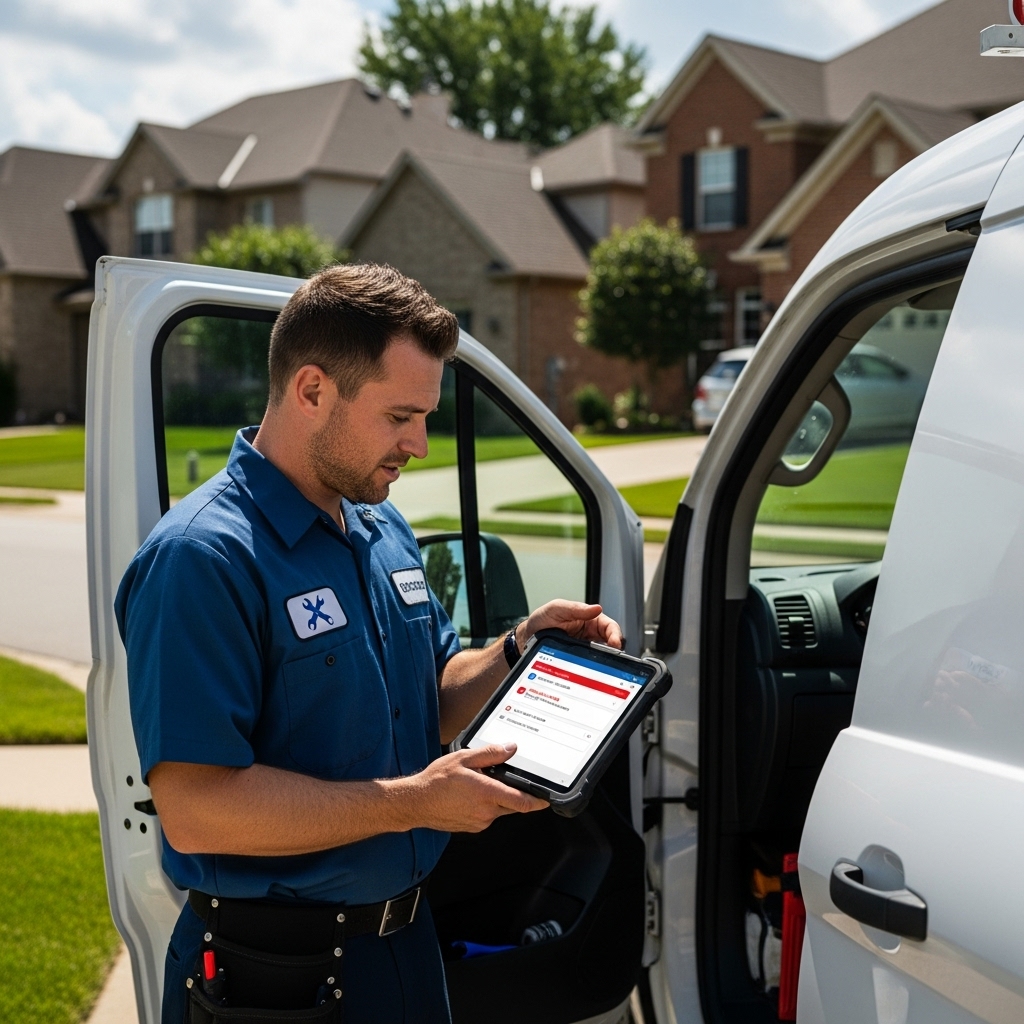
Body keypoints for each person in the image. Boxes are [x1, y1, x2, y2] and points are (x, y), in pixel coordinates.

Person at [114, 263, 623, 1024]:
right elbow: (196, 809)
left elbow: (431, 696)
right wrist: (414, 802)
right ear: (311, 390)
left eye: (426, 416)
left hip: (406, 946)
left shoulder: (381, 526)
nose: (420, 444)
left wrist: (521, 646)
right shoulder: (201, 557)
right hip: (273, 980)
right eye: (399, 417)